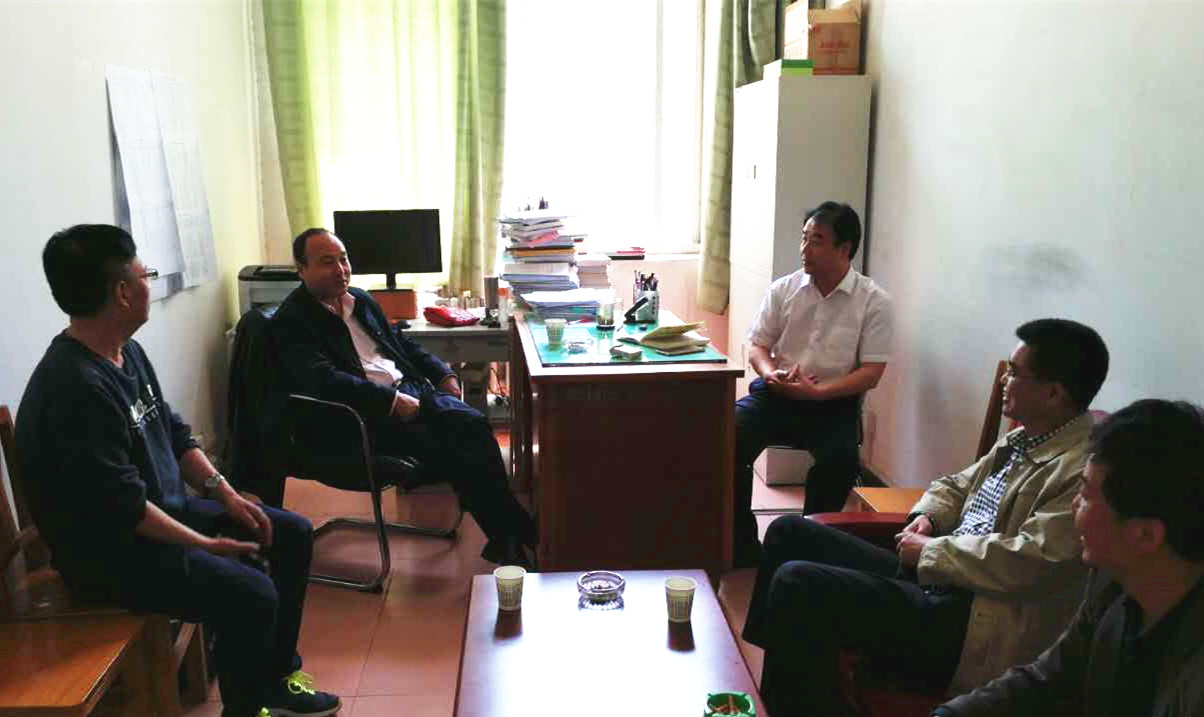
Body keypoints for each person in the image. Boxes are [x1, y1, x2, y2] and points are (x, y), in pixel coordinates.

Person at [16, 225, 340, 717]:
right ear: (122, 293)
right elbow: (124, 509)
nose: (149, 283)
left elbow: (172, 431)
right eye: (144, 274)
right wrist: (204, 544)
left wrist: (226, 494)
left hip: (163, 517)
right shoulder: (74, 390)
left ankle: (274, 680)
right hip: (112, 556)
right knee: (252, 591)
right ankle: (247, 709)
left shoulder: (124, 350)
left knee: (289, 533)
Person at [741, 318, 1110, 717]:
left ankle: (786, 697)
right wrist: (929, 517)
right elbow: (955, 485)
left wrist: (932, 552)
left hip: (970, 620)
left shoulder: (1080, 470)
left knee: (798, 582)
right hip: (940, 576)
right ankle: (769, 682)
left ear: (1053, 393)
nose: (1005, 380)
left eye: (1016, 373)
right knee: (787, 531)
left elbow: (1029, 560)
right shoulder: (1025, 437)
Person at [271, 228, 536, 567]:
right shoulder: (292, 321)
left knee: (469, 434)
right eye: (326, 262)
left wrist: (441, 372)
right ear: (301, 269)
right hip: (363, 417)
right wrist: (389, 402)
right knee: (468, 436)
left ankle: (509, 537)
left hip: (410, 392)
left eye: (343, 259)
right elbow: (325, 382)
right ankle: (520, 533)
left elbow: (402, 343)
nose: (340, 270)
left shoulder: (359, 300)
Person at [934, 399, 1204, 716]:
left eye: (1086, 495)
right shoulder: (1111, 582)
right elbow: (1048, 679)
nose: (1074, 505)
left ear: (1146, 535)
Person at [733, 201, 892, 566]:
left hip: (833, 403)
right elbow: (758, 346)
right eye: (804, 238)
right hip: (777, 394)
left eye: (817, 241)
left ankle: (805, 551)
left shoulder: (874, 301)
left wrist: (818, 391)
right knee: (728, 438)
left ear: (845, 248)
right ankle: (741, 545)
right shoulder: (784, 289)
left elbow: (871, 372)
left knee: (839, 461)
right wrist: (769, 372)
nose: (805, 249)